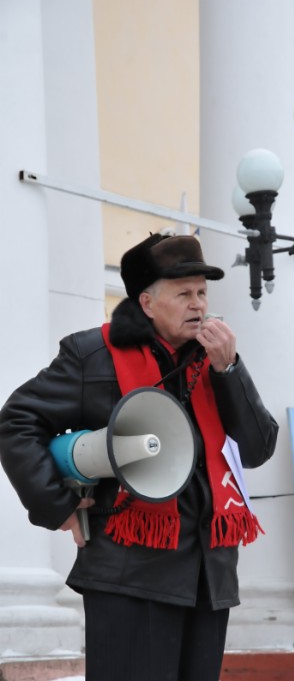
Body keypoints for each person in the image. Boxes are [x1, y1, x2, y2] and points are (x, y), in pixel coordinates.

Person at [0, 234, 278, 681]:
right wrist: (58, 505)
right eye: (183, 294)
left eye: (202, 292)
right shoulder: (93, 356)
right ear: (146, 303)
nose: (198, 304)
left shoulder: (215, 360)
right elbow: (17, 421)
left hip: (209, 579)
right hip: (129, 577)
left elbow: (258, 448)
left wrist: (230, 370)